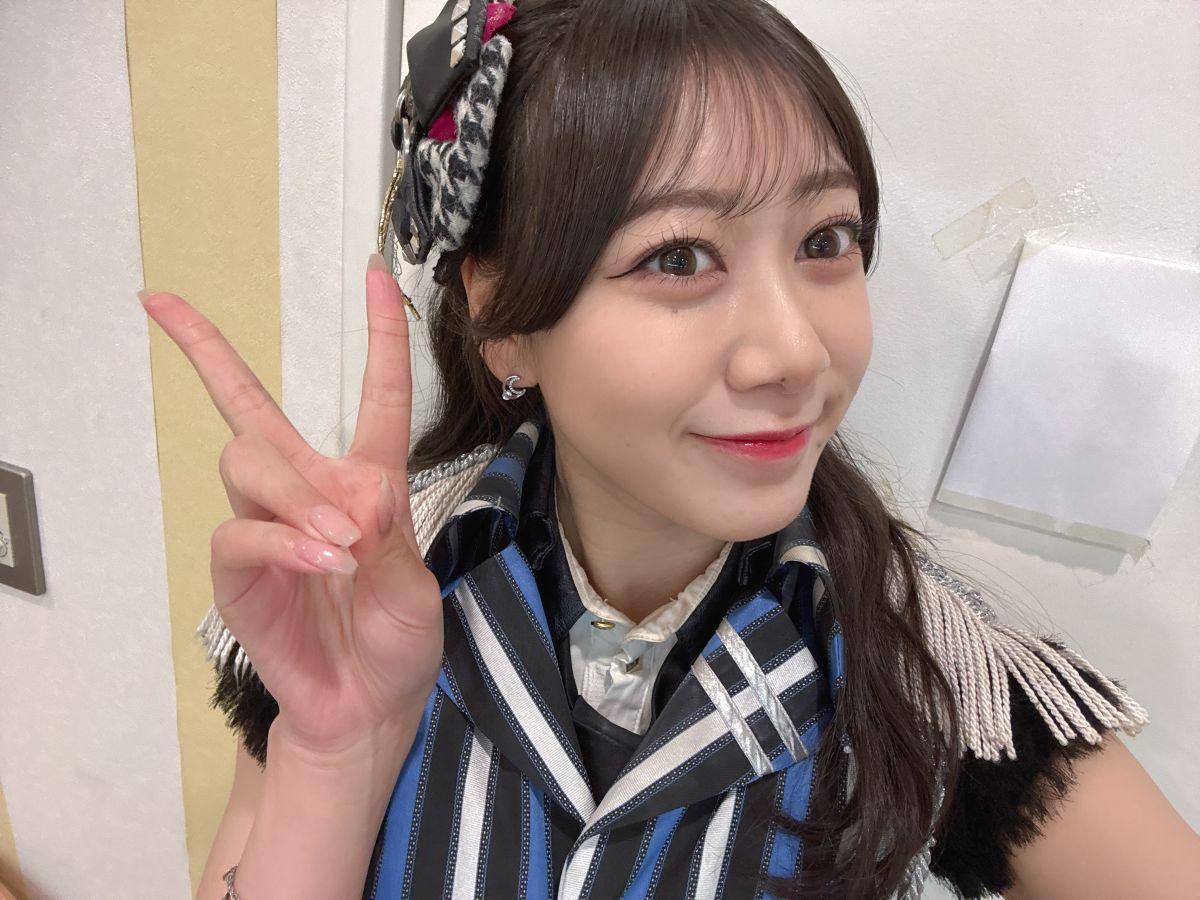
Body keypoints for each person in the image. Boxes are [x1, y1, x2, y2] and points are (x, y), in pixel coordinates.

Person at [134, 0, 1199, 897]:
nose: (795, 352)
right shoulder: (358, 585)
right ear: (502, 315)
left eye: (826, 240)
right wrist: (337, 755)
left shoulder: (940, 676)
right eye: (680, 257)